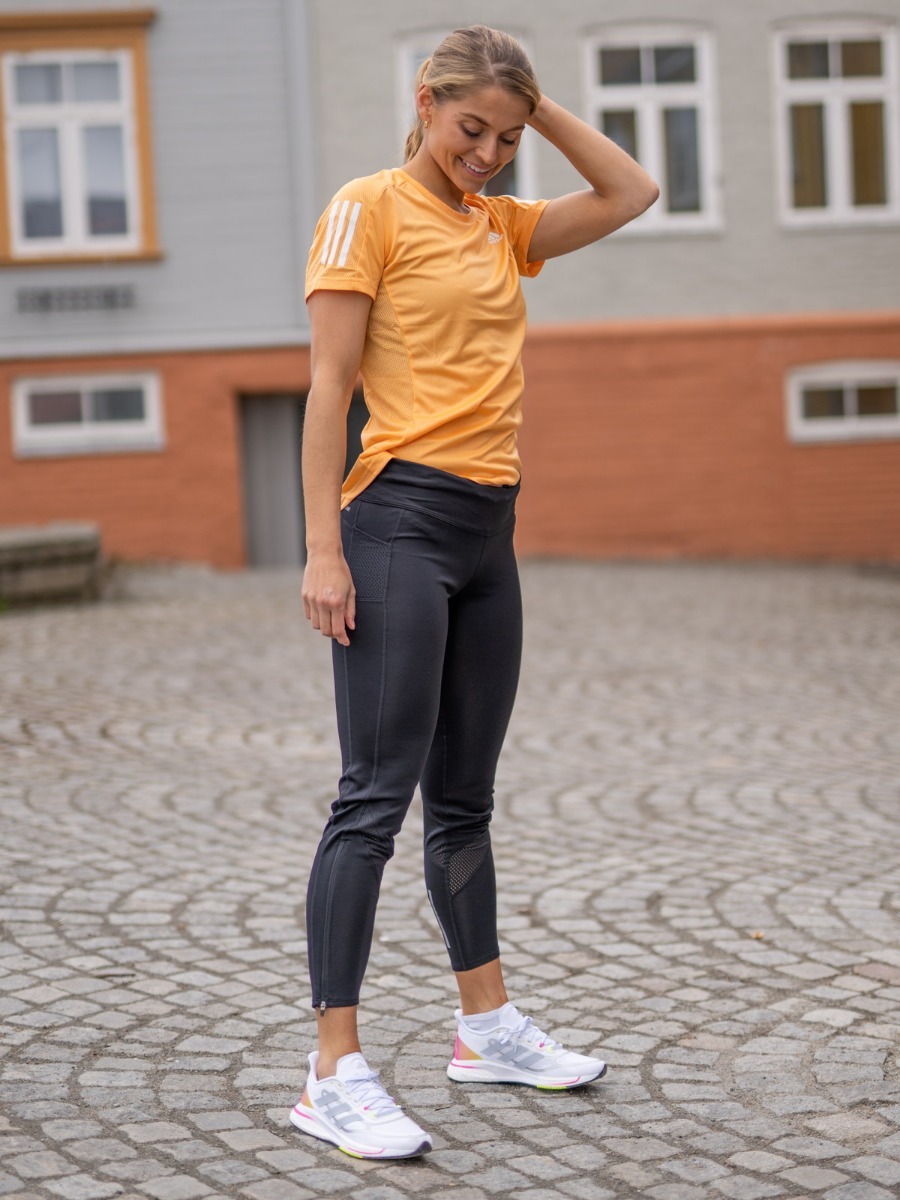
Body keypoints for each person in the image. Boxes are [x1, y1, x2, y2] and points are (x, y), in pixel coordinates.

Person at [290, 25, 658, 1160]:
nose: (488, 153)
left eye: (504, 136)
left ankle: (485, 1024)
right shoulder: (367, 208)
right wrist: (322, 548)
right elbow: (328, 384)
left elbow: (634, 189)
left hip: (488, 531)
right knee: (374, 796)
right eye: (469, 129)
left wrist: (535, 108)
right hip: (397, 520)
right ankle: (332, 1069)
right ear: (425, 101)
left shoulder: (499, 226)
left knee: (465, 798)